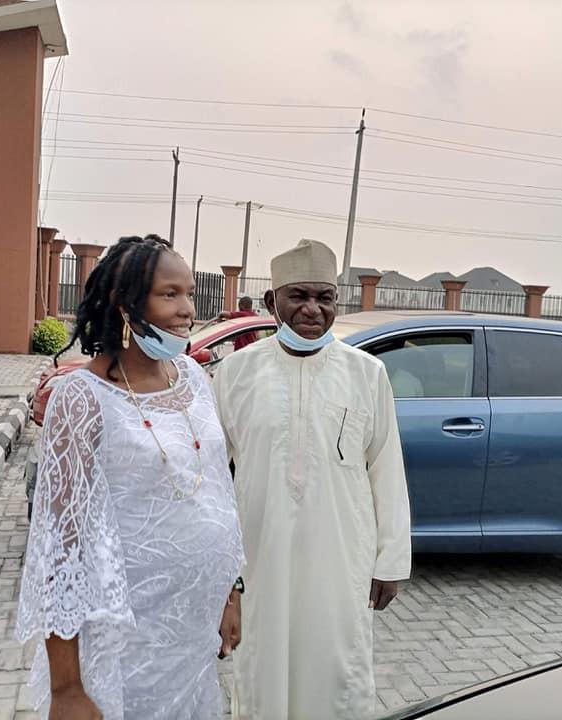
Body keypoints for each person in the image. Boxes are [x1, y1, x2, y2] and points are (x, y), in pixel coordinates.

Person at [15, 234, 244, 720]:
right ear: (125, 304)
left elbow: (219, 496)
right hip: (125, 643)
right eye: (169, 294)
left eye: (189, 293)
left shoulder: (193, 378)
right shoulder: (82, 399)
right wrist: (66, 688)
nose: (187, 310)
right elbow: (60, 547)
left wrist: (230, 592)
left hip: (191, 637)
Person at [212, 239, 412, 719]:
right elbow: (214, 476)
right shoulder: (235, 372)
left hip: (341, 557)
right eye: (298, 295)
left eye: (324, 297)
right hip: (260, 556)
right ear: (271, 302)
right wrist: (220, 573)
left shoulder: (367, 374)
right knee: (262, 668)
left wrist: (390, 561)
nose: (312, 309)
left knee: (336, 669)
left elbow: (386, 467)